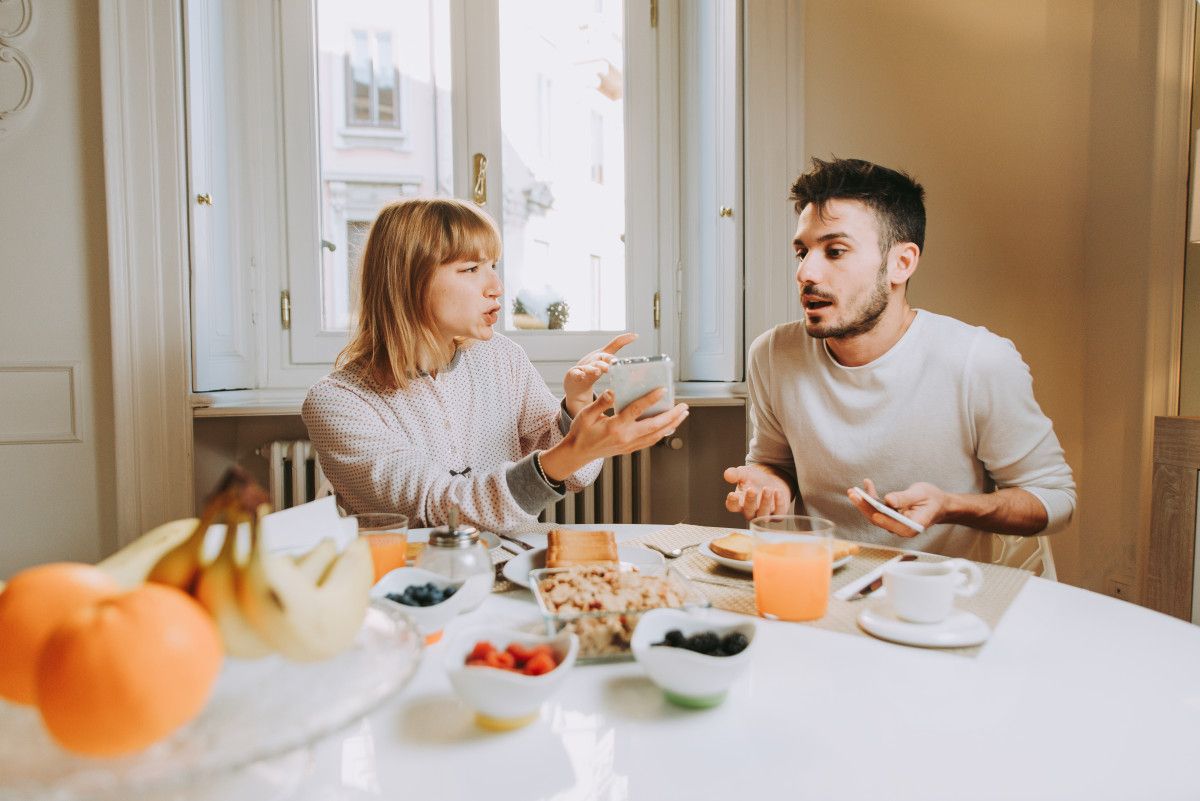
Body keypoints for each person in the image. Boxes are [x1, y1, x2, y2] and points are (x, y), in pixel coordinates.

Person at [723, 157, 1075, 557]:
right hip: (819, 586)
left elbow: (1055, 499)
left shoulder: (980, 361)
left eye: (835, 251)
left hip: (938, 597)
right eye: (802, 252)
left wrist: (951, 506)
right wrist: (770, 483)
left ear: (901, 263)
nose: (806, 273)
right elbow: (774, 463)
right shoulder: (773, 354)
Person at [303, 197, 688, 531]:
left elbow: (575, 475)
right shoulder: (338, 402)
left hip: (513, 568)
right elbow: (438, 508)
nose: (496, 286)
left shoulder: (503, 358)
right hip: (412, 589)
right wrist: (574, 450)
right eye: (471, 269)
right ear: (407, 281)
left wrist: (576, 408)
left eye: (493, 265)